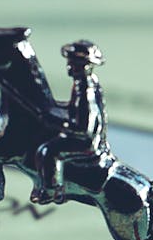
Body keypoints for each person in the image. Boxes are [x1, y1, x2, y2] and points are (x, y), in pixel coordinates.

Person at [30, 40, 113, 204]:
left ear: (88, 66)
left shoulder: (85, 89)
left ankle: (51, 190)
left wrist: (53, 120)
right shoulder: (84, 83)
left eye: (76, 64)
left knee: (47, 151)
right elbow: (75, 110)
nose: (70, 66)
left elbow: (84, 127)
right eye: (70, 62)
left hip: (86, 142)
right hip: (92, 138)